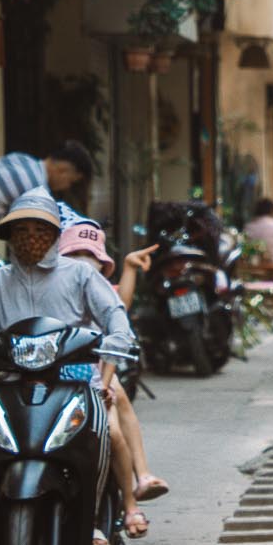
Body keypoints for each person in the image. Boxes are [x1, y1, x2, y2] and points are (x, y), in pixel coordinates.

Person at [0, 188, 137, 545]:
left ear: (54, 235)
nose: (31, 237)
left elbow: (113, 313)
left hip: (76, 379)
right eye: (22, 230)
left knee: (96, 435)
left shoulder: (80, 275)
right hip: (15, 380)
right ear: (10, 237)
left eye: (40, 229)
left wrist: (117, 337)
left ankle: (94, 518)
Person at [58, 216, 170, 527]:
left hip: (93, 375)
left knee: (115, 424)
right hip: (57, 379)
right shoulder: (52, 295)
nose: (82, 265)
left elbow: (115, 331)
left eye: (89, 258)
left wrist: (103, 385)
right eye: (74, 258)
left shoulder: (102, 295)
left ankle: (134, 494)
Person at [0, 141, 94, 241]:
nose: (67, 187)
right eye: (70, 181)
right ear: (63, 170)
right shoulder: (37, 187)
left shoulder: (22, 159)